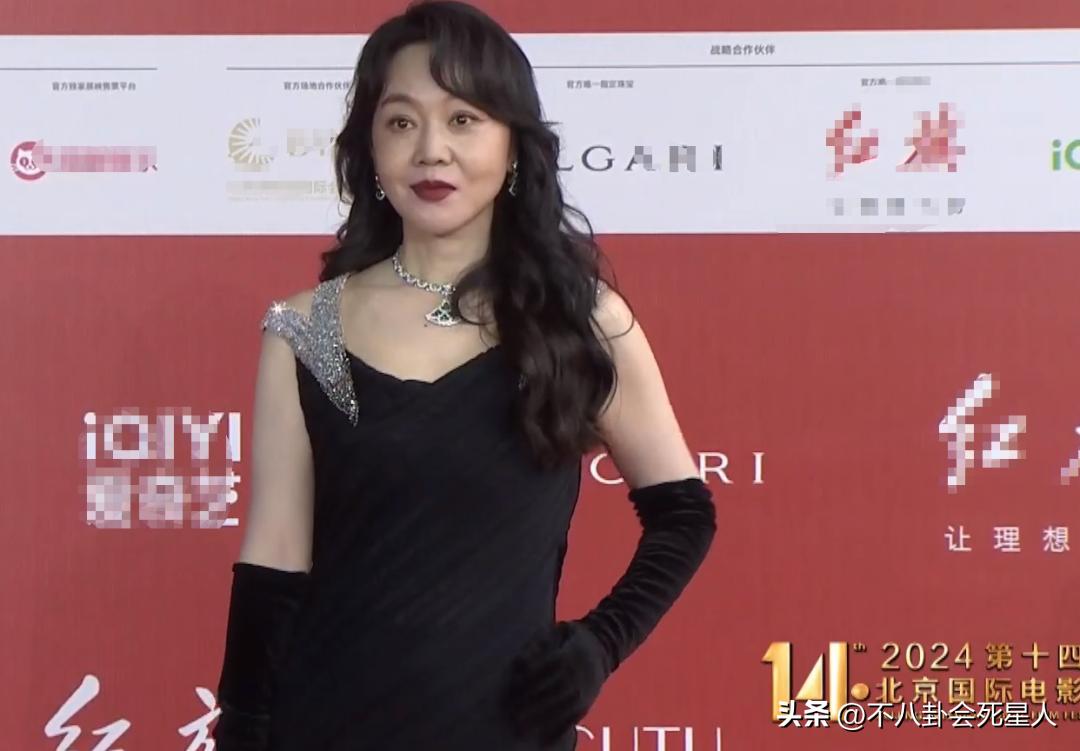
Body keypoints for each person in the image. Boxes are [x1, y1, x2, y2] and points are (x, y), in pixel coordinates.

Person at [211, 1, 716, 749]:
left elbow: (684, 515)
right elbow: (274, 561)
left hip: (506, 730)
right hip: (322, 725)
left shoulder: (579, 320)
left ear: (513, 145)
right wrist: (243, 729)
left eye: (463, 120)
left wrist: (599, 644)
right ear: (369, 148)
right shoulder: (307, 327)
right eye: (401, 122)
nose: (431, 151)